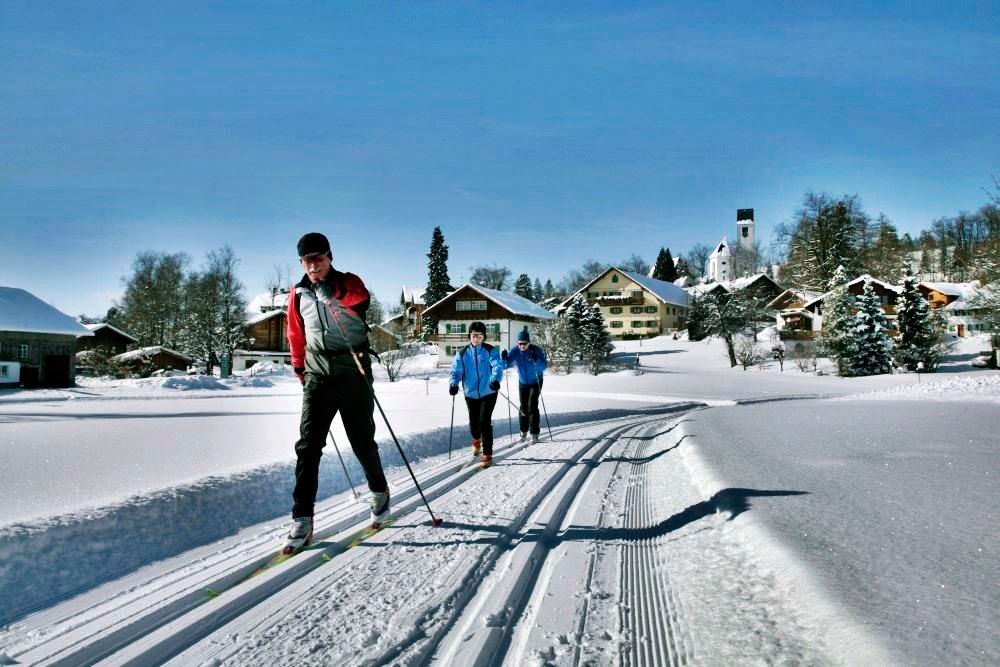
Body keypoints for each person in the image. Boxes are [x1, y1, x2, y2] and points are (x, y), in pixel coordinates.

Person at [283, 232, 391, 554]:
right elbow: (295, 332)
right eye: (307, 260)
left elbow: (361, 298)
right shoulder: (297, 294)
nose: (314, 265)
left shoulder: (348, 283)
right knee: (308, 445)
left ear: (329, 257)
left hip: (353, 372)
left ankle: (379, 490)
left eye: (319, 258)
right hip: (317, 375)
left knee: (361, 441)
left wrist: (335, 293)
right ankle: (302, 518)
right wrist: (300, 367)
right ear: (301, 263)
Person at [449, 321, 504, 468]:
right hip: (470, 393)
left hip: (489, 392)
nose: (476, 339)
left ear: (483, 337)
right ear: (470, 336)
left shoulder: (490, 350)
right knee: (474, 424)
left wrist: (495, 380)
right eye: (474, 336)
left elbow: (497, 366)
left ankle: (487, 453)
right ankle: (476, 440)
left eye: (479, 336)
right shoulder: (462, 353)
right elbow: (456, 370)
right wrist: (453, 383)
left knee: (484, 421)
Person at [501, 328, 548, 443]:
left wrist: (536, 361)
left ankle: (534, 432)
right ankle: (523, 430)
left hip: (536, 381)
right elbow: (505, 365)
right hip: (523, 382)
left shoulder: (535, 350)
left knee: (532, 405)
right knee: (523, 407)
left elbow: (544, 366)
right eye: (520, 343)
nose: (522, 346)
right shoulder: (515, 350)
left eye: (524, 343)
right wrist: (504, 358)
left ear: (529, 343)